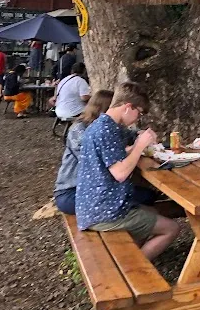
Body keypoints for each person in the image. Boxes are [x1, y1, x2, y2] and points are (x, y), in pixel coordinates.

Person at [75, 82, 179, 261]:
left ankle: (127, 256)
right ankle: (134, 267)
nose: (138, 118)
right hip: (103, 211)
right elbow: (120, 173)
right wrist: (139, 146)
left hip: (93, 206)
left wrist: (134, 148)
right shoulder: (106, 130)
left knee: (152, 212)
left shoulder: (102, 124)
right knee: (172, 228)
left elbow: (112, 156)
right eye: (139, 112)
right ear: (127, 107)